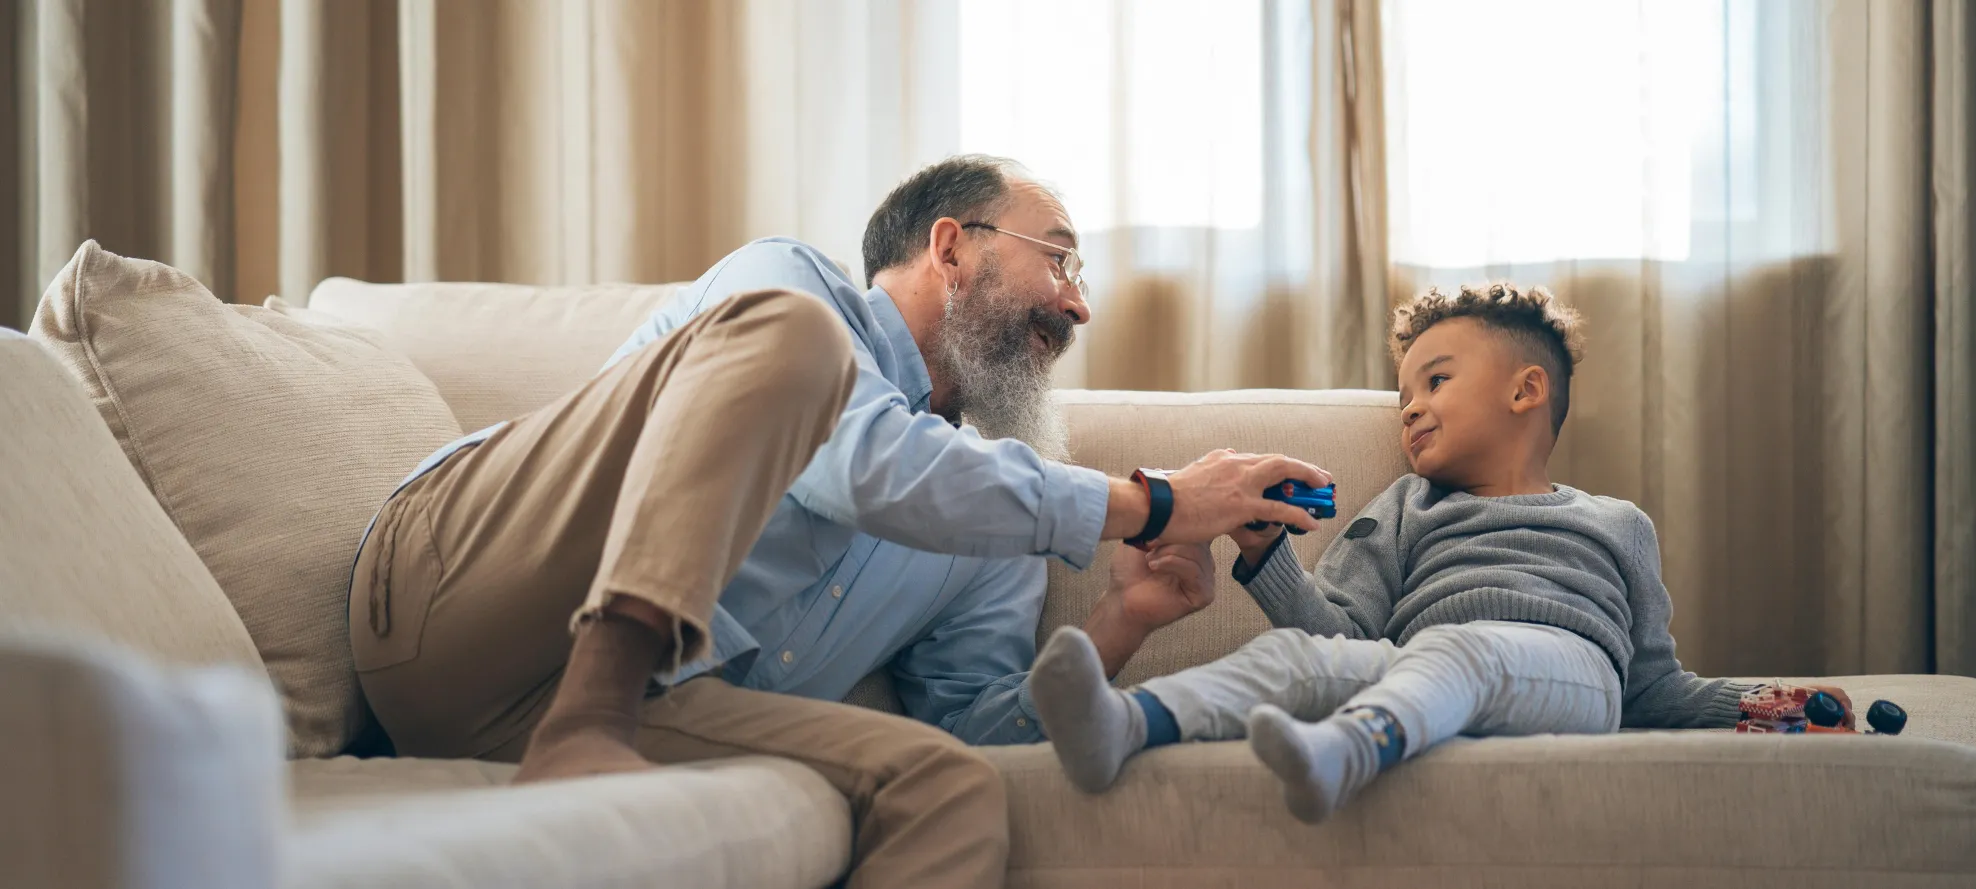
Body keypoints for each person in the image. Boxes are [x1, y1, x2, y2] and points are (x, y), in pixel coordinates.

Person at [347, 154, 1330, 888]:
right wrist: (1150, 503)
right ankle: (590, 714)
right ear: (950, 247)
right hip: (461, 595)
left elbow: (983, 728)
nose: (1076, 306)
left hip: (643, 702)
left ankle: (599, 714)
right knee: (794, 343)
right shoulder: (787, 288)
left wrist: (1127, 619)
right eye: (1058, 261)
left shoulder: (998, 513)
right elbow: (858, 464)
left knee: (949, 787)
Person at [1028, 282, 1854, 823]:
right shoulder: (1404, 507)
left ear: (1526, 390)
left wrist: (1767, 704)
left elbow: (1654, 683)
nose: (1411, 409)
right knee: (1297, 655)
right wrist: (1268, 554)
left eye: (1437, 381)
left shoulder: (1616, 522)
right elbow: (1345, 633)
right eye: (1404, 395)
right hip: (1416, 661)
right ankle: (1124, 722)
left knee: (1462, 648)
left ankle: (1348, 750)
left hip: (1569, 678)